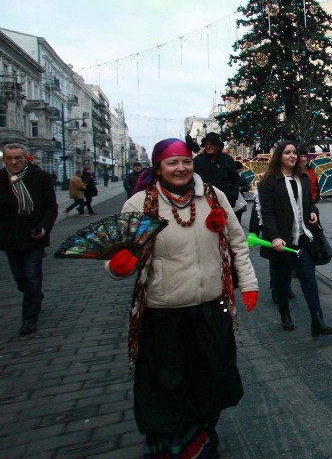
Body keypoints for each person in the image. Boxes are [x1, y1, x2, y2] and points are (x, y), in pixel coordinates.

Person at [109, 138, 259, 458]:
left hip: (211, 307)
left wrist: (248, 283)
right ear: (158, 167)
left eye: (185, 162)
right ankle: (184, 448)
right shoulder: (139, 204)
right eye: (172, 163)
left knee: (213, 381)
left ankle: (205, 437)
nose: (180, 169)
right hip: (164, 313)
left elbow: (237, 242)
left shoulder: (213, 196)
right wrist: (117, 266)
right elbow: (117, 255)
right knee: (171, 388)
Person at [250, 140, 332, 336]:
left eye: (294, 152)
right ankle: (285, 313)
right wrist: (275, 237)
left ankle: (317, 318)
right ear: (279, 155)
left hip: (302, 238)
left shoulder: (303, 178)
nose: (292, 156)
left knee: (308, 277)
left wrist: (313, 211)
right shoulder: (269, 181)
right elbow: (268, 212)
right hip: (281, 242)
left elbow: (309, 203)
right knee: (282, 281)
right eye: (287, 152)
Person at [0, 144, 58, 336]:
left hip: (34, 235)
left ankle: (29, 319)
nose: (13, 162)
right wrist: (14, 199)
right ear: (3, 159)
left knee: (32, 277)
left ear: (26, 158)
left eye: (17, 158)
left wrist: (44, 227)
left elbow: (50, 207)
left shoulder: (40, 177)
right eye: (9, 158)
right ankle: (35, 295)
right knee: (21, 279)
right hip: (10, 237)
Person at [193, 132, 241, 208]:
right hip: (204, 202)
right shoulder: (198, 161)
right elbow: (193, 180)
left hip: (225, 202)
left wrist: (233, 196)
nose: (208, 146)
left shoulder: (227, 160)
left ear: (218, 146)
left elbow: (235, 179)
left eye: (211, 144)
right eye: (206, 144)